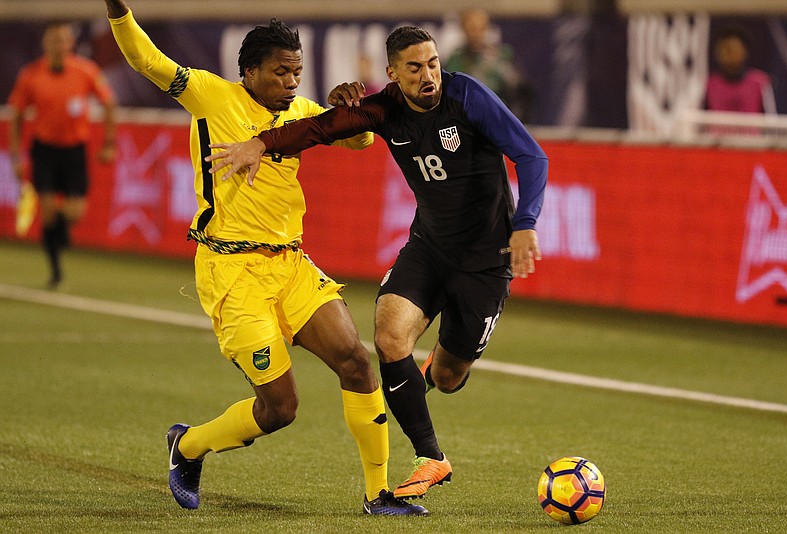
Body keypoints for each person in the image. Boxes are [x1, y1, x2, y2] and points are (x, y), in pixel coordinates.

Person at [102, 0, 428, 516]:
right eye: (281, 72)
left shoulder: (298, 114)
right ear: (249, 72)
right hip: (231, 272)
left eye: (297, 71)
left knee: (357, 363)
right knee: (281, 409)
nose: (292, 82)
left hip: (290, 265)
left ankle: (378, 494)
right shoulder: (212, 96)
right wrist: (119, 11)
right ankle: (187, 447)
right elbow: (147, 61)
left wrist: (352, 107)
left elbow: (361, 140)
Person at [206, 26, 548, 502]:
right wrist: (262, 144)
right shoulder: (384, 109)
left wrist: (525, 222)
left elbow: (531, 155)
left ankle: (415, 386)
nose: (429, 75)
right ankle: (431, 457)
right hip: (429, 249)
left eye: (432, 63)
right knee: (388, 336)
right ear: (393, 73)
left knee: (448, 378)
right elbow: (320, 127)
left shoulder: (468, 96)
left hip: (484, 262)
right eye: (414, 67)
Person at [8, 21, 117, 289]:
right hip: (44, 150)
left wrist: (109, 143)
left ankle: (58, 233)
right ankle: (55, 269)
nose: (59, 45)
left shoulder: (85, 71)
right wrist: (15, 156)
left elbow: (109, 103)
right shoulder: (31, 75)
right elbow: (17, 116)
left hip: (74, 151)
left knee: (75, 212)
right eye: (53, 40)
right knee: (46, 213)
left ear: (71, 43)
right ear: (45, 44)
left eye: (63, 40)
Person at [444, 8, 531, 122]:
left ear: (487, 29)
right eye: (471, 28)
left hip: (496, 118)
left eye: (480, 28)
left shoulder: (501, 57)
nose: (475, 33)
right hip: (464, 119)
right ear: (463, 29)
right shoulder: (455, 59)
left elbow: (519, 91)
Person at [705, 25, 776, 114]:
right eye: (723, 49)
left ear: (745, 51)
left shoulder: (761, 83)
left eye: (732, 49)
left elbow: (771, 121)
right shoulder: (708, 84)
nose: (727, 54)